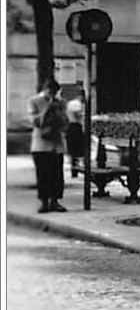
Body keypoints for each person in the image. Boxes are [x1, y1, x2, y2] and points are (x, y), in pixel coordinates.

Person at [29, 79, 69, 213]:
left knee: (57, 174)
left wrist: (59, 112)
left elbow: (65, 122)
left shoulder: (61, 103)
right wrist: (48, 108)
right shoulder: (34, 101)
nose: (52, 95)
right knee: (43, 174)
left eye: (54, 92)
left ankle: (55, 201)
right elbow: (35, 122)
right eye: (50, 92)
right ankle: (44, 202)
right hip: (41, 144)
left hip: (56, 144)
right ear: (44, 90)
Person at [64, 87, 86, 177]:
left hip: (70, 125)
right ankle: (76, 169)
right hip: (75, 126)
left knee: (73, 150)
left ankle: (74, 170)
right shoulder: (77, 104)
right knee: (78, 148)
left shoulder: (71, 103)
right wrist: (83, 116)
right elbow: (77, 115)